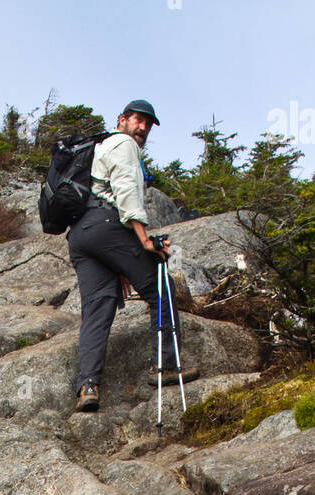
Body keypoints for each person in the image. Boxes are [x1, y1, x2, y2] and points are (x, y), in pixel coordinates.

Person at [67, 99, 199, 412]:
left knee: (98, 308)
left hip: (82, 234)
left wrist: (120, 262)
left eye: (148, 124)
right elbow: (125, 191)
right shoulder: (123, 143)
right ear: (122, 120)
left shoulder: (101, 147)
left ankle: (87, 386)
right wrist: (143, 241)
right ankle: (166, 365)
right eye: (137, 120)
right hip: (109, 225)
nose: (142, 128)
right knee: (161, 287)